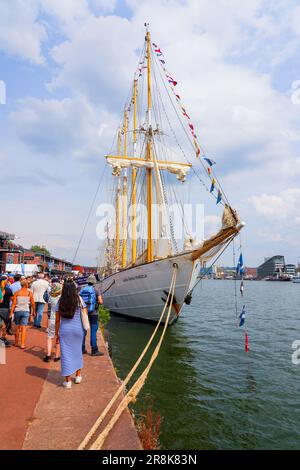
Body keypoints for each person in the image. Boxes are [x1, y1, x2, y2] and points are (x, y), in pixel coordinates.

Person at [55, 279, 88, 388]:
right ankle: (78, 376)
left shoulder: (60, 301)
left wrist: (56, 334)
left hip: (65, 330)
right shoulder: (79, 299)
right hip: (77, 330)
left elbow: (57, 320)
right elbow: (85, 312)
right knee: (77, 352)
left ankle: (68, 381)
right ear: (74, 288)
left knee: (66, 354)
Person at [80, 275, 104, 357]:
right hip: (94, 313)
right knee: (93, 331)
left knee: (83, 330)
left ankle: (82, 349)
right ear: (94, 281)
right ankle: (94, 350)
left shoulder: (82, 288)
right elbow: (101, 302)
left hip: (84, 312)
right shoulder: (96, 289)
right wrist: (97, 300)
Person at [10, 279, 35, 349]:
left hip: (17, 311)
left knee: (17, 327)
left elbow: (14, 304)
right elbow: (33, 303)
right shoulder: (29, 293)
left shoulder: (17, 293)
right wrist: (34, 311)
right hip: (26, 311)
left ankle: (16, 342)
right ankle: (22, 344)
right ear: (26, 285)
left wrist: (11, 313)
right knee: (23, 328)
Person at [43, 281, 62, 362]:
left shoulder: (50, 297)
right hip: (60, 319)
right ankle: (57, 356)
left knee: (50, 337)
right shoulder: (61, 297)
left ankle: (48, 355)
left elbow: (45, 297)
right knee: (58, 338)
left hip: (52, 319)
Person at [0, 276, 14, 346]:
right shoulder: (8, 290)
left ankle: (3, 338)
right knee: (7, 325)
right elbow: (12, 299)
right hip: (5, 309)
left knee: (2, 325)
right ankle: (3, 338)